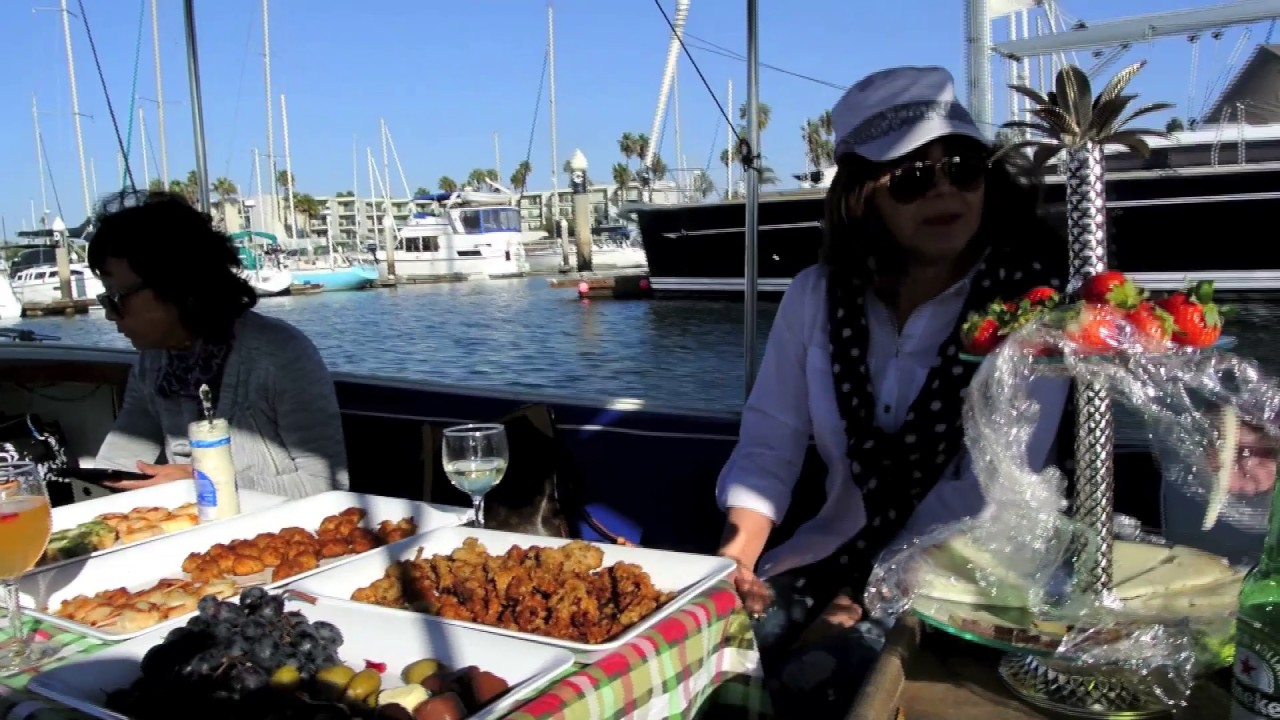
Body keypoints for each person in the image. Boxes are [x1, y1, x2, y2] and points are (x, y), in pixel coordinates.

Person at [714, 66, 1073, 716]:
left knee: (815, 684)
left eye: (963, 167)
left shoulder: (1028, 308)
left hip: (972, 576)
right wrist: (735, 562)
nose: (945, 190)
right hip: (829, 554)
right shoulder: (815, 298)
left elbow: (989, 493)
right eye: (912, 177)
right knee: (716, 659)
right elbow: (772, 442)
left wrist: (862, 604)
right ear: (860, 197)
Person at [90, 191, 349, 499]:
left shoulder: (279, 355)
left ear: (175, 285)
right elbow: (117, 464)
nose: (108, 313)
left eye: (116, 297)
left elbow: (326, 486)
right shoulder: (152, 363)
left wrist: (201, 483)